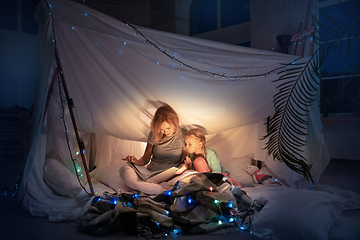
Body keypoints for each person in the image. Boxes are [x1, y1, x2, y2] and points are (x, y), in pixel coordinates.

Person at [120, 104, 189, 195]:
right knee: (124, 170)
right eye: (162, 129)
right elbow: (145, 159)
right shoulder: (154, 133)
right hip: (152, 173)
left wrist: (184, 166)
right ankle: (161, 190)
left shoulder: (184, 134)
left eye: (168, 128)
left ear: (175, 122)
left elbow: (186, 160)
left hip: (173, 175)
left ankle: (149, 189)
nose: (166, 132)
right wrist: (135, 161)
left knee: (190, 178)